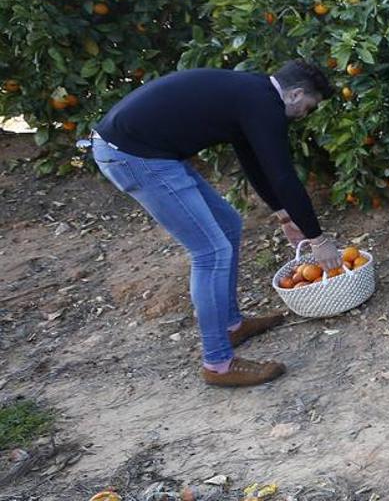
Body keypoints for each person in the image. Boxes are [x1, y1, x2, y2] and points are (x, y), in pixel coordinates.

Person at [88, 60, 341, 387]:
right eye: (308, 107)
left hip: (146, 151)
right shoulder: (263, 103)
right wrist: (318, 240)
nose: (304, 114)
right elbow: (282, 176)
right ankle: (218, 364)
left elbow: (252, 159)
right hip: (135, 156)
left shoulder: (253, 94)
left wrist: (284, 216)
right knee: (210, 251)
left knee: (228, 225)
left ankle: (231, 326)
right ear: (294, 94)